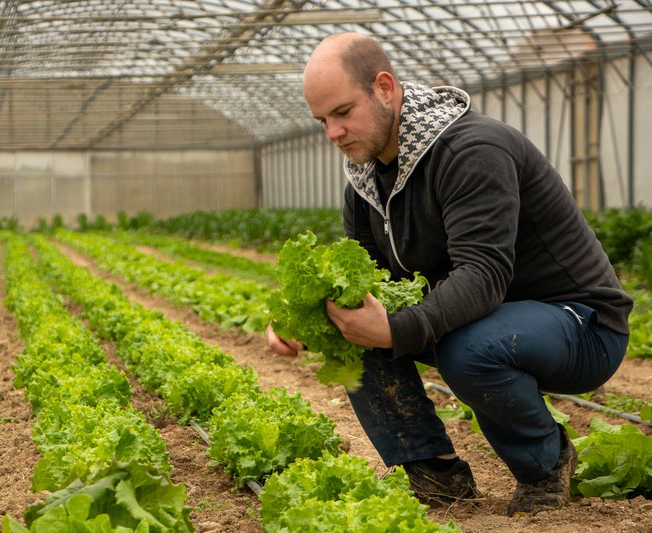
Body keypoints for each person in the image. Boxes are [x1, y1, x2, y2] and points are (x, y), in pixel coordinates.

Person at [266, 32, 632, 516]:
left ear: (385, 88)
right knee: (353, 328)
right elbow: (363, 282)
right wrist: (307, 321)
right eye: (322, 121)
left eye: (342, 112)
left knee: (468, 348)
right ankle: (433, 470)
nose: (334, 133)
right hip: (486, 320)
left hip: (580, 325)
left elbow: (483, 274)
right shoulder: (364, 179)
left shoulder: (471, 150)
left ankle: (545, 463)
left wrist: (397, 328)